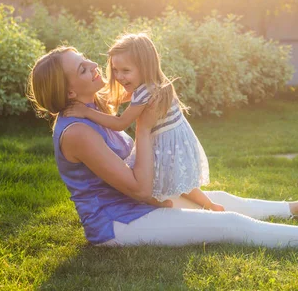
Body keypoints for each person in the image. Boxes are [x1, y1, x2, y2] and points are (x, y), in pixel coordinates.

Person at [27, 46, 298, 248]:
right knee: (228, 223)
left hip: (138, 205)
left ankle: (297, 208)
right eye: (81, 68)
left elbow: (139, 90)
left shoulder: (93, 108)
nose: (93, 64)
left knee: (218, 197)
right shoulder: (76, 131)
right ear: (69, 92)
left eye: (85, 59)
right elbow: (139, 189)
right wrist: (145, 126)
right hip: (119, 225)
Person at [64, 33, 220, 211]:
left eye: (126, 71)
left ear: (144, 67)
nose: (119, 77)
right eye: (115, 70)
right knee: (174, 177)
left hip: (163, 144)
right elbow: (120, 97)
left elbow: (120, 123)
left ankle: (161, 203)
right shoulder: (155, 83)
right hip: (176, 140)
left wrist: (86, 111)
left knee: (148, 178)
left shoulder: (144, 92)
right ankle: (210, 205)